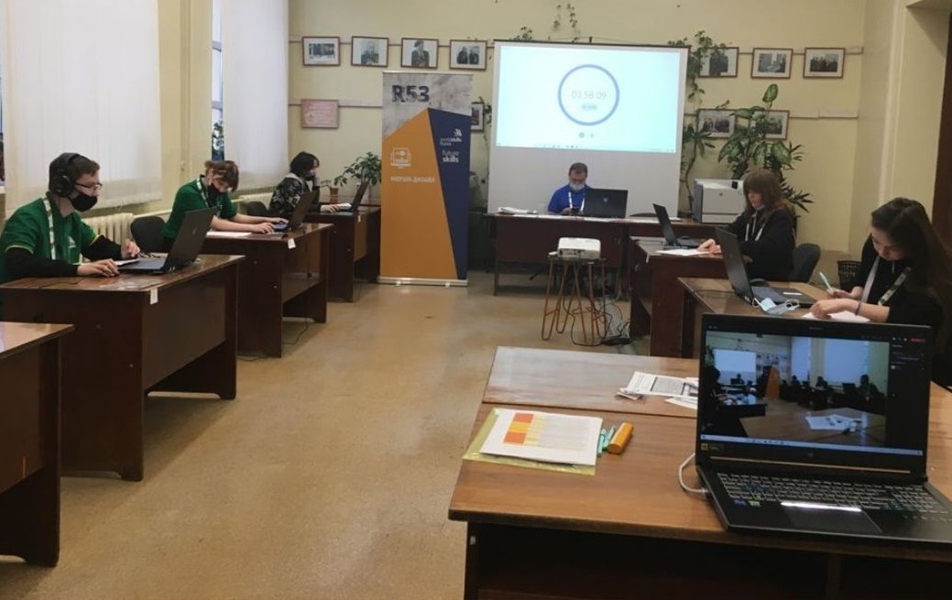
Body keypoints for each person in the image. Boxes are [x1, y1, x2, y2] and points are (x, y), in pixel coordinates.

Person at [810, 198, 952, 384]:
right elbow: (863, 278)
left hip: (922, 360)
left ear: (913, 244)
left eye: (893, 248)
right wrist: (853, 295)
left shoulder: (931, 269)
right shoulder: (874, 244)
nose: (882, 252)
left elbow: (911, 318)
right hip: (878, 339)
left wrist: (851, 305)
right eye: (876, 241)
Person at [0, 153, 141, 315]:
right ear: (63, 186)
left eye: (97, 186)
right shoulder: (27, 217)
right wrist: (77, 269)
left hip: (53, 299)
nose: (96, 194)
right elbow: (18, 262)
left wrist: (121, 252)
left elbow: (95, 247)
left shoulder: (71, 218)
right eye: (90, 186)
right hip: (19, 306)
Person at [697, 168, 795, 280]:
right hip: (750, 272)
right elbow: (732, 229)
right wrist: (715, 239)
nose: (750, 196)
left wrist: (735, 247)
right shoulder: (752, 213)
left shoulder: (782, 217)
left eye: (755, 192)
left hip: (770, 277)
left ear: (769, 193)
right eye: (748, 192)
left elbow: (767, 247)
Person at [162, 160, 285, 249]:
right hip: (176, 242)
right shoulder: (189, 192)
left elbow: (234, 216)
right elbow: (215, 223)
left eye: (226, 187)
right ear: (211, 173)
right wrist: (253, 228)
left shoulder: (220, 192)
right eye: (220, 183)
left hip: (200, 239)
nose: (221, 189)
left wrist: (266, 219)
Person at [268, 152, 342, 219]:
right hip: (280, 219)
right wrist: (321, 208)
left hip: (293, 218)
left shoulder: (301, 182)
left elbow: (313, 203)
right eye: (312, 168)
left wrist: (316, 185)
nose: (315, 172)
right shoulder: (290, 183)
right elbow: (299, 206)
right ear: (303, 168)